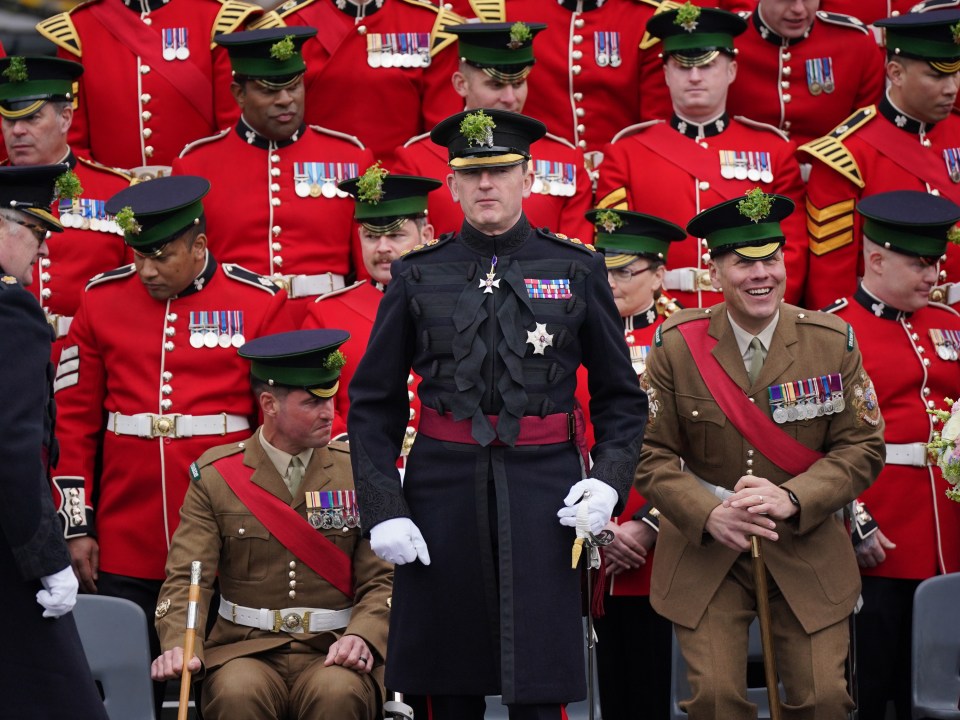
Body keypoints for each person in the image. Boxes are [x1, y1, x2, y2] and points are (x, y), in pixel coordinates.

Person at [347, 108, 648, 719]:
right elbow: (372, 404)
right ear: (452, 185)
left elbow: (622, 398)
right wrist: (384, 509)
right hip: (440, 490)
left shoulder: (577, 266)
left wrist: (609, 483)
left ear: (528, 176)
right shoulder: (415, 273)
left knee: (539, 688)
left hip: (545, 491)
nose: (487, 185)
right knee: (445, 684)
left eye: (502, 170)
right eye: (471, 173)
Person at [634, 189, 885, 719]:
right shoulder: (676, 345)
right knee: (717, 701)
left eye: (770, 259)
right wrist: (709, 514)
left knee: (825, 699)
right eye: (742, 263)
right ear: (715, 271)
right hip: (709, 553)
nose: (760, 275)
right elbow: (649, 454)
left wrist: (795, 497)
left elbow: (862, 446)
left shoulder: (831, 341)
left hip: (806, 544)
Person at [50, 174, 294, 713]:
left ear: (199, 246)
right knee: (125, 687)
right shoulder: (100, 300)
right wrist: (77, 524)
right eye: (137, 256)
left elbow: (279, 427)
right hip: (125, 532)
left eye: (161, 256)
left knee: (228, 690)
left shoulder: (257, 302)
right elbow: (72, 421)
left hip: (233, 532)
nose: (146, 271)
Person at [151, 329, 392, 720]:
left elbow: (384, 578)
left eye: (330, 399)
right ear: (269, 404)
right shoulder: (217, 476)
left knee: (338, 694)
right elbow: (188, 578)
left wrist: (363, 635)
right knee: (235, 694)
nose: (329, 413)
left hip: (333, 645)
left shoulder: (357, 472)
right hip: (245, 646)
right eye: (313, 402)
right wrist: (181, 643)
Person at [825, 190, 960, 720]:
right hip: (880, 533)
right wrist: (851, 517)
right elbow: (808, 442)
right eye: (919, 264)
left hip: (948, 531)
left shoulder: (949, 322)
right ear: (876, 259)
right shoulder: (832, 330)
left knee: (939, 688)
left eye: (937, 264)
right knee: (872, 683)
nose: (932, 276)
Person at [596, 5, 808, 308]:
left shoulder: (774, 150)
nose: (694, 76)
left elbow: (793, 250)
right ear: (666, 73)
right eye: (683, 66)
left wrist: (763, 309)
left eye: (707, 65)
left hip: (751, 311)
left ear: (731, 70)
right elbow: (617, 249)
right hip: (661, 319)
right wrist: (664, 315)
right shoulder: (626, 152)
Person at [0, 164, 109, 720]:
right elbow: (15, 452)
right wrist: (47, 559)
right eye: (35, 233)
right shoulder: (10, 309)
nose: (41, 254)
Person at [173, 27, 374, 322]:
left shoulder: (352, 157)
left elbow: (369, 267)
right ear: (239, 94)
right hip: (239, 322)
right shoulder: (194, 166)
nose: (285, 100)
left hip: (329, 322)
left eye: (293, 87)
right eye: (269, 90)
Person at [576, 208, 684, 720]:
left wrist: (649, 526)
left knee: (649, 688)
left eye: (626, 270)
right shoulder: (566, 338)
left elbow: (704, 449)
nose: (611, 280)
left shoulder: (684, 341)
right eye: (604, 268)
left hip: (657, 545)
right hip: (579, 540)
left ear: (660, 275)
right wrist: (594, 526)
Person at [801, 10, 960, 310]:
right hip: (889, 328)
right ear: (896, 73)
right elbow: (832, 282)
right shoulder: (846, 154)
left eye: (955, 72)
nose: (951, 88)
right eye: (937, 75)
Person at [392, 21, 594, 241]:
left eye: (518, 83)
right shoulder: (415, 160)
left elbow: (576, 259)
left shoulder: (567, 159)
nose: (510, 98)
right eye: (495, 85)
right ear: (461, 84)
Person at [0, 54, 133, 363]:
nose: (17, 131)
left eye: (31, 118)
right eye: (9, 119)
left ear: (66, 118)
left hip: (90, 360)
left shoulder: (119, 192)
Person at [462, 0, 721, 157]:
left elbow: (654, 125)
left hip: (618, 172)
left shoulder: (644, 19)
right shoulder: (509, 9)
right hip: (536, 169)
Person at [35, 0, 269, 173]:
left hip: (197, 194)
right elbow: (72, 141)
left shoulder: (216, 19)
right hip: (113, 204)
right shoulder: (79, 28)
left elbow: (231, 130)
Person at [303, 167, 439, 438]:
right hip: (359, 468)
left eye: (396, 235)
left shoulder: (456, 301)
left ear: (426, 237)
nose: (382, 248)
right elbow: (314, 403)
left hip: (442, 468)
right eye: (371, 236)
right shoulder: (326, 316)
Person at [264, 0, 464, 166]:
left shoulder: (432, 25)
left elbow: (440, 136)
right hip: (315, 184)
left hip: (404, 188)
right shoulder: (285, 25)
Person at [725, 0, 884, 147]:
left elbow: (868, 132)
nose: (799, 9)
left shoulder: (855, 42)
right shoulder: (729, 40)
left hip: (828, 171)